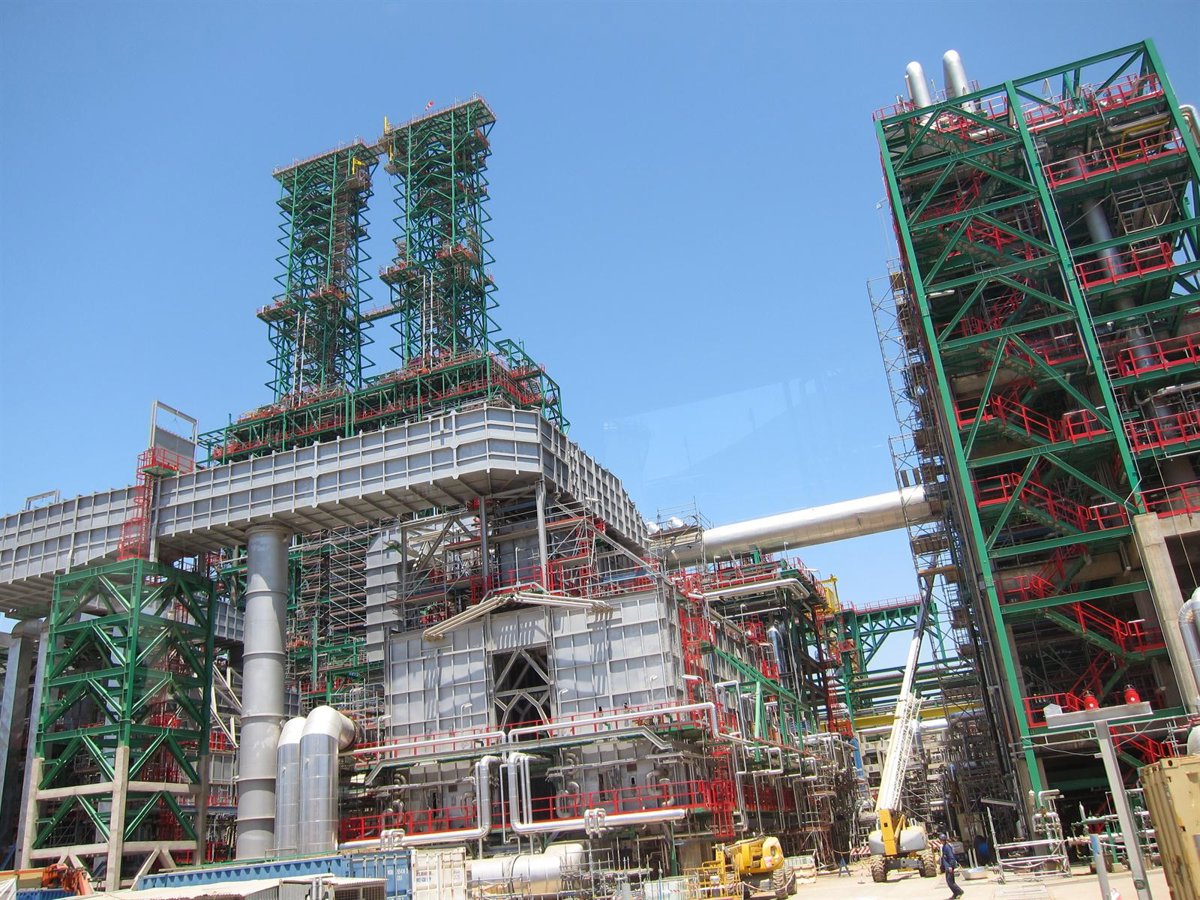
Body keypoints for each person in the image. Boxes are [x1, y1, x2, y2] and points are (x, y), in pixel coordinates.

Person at [940, 834, 964, 899]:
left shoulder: (947, 847)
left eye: (942, 840)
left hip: (949, 867)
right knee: (950, 881)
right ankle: (955, 894)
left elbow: (951, 857)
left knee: (950, 881)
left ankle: (959, 891)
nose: (941, 841)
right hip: (947, 867)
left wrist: (950, 866)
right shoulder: (944, 847)